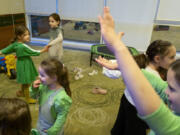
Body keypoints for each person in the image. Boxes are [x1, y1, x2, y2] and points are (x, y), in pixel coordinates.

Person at [98, 7, 180, 135]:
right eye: (171, 57)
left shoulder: (144, 65)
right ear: (157, 58)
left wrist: (121, 57)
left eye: (172, 88)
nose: (166, 91)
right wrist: (121, 59)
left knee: (121, 125)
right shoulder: (154, 76)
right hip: (134, 107)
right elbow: (146, 78)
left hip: (127, 100)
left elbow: (140, 76)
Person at [0, 25, 49, 104]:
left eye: (28, 34)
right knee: (27, 82)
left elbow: (5, 50)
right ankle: (27, 98)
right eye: (25, 35)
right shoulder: (22, 46)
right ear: (19, 36)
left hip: (21, 63)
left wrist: (0, 52)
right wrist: (44, 50)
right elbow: (34, 52)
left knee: (24, 81)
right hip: (25, 64)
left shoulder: (15, 44)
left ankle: (22, 93)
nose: (28, 36)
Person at [30, 58, 72, 135]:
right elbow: (33, 97)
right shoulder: (43, 86)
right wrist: (34, 89)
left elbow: (62, 116)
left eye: (42, 75)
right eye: (39, 73)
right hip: (42, 121)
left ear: (54, 77)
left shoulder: (61, 97)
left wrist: (54, 130)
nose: (39, 77)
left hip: (51, 128)